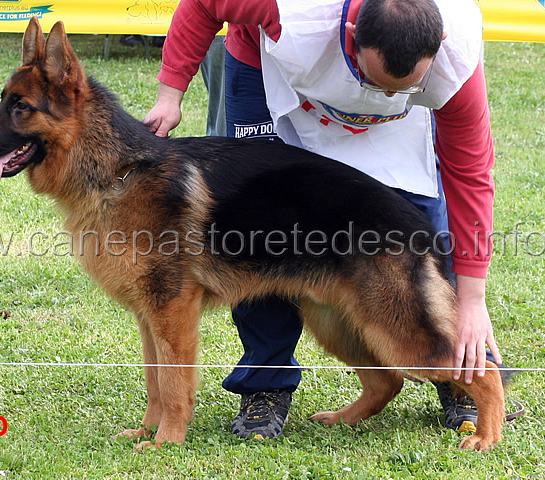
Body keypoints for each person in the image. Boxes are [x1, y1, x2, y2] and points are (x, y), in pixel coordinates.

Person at [144, 0, 503, 439]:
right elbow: (201, 4)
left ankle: (456, 375)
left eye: (403, 87)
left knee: (407, 217)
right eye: (378, 81)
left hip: (391, 117)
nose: (387, 96)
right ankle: (265, 386)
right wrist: (170, 92)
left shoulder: (456, 58)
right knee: (254, 232)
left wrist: (470, 298)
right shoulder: (287, 10)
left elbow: (468, 175)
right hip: (270, 70)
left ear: (440, 41)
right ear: (352, 33)